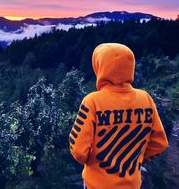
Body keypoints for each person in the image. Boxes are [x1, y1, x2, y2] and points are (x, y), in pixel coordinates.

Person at [69, 43, 168, 189]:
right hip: (133, 184)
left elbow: (78, 151)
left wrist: (95, 163)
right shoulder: (145, 99)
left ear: (100, 67)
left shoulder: (92, 101)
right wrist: (135, 159)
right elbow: (160, 143)